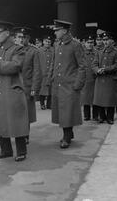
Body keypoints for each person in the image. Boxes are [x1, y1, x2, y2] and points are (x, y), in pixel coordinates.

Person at [0, 22, 29, 162]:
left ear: (7, 33)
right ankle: (5, 150)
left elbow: (15, 66)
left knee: (17, 122)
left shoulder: (17, 49)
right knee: (1, 121)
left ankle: (21, 151)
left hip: (11, 89)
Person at [48, 19, 86, 149]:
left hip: (69, 84)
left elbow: (82, 66)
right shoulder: (57, 44)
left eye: (57, 30)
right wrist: (51, 77)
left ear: (64, 31)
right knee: (61, 111)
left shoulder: (75, 45)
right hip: (58, 83)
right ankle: (69, 133)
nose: (55, 33)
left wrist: (78, 83)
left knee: (67, 111)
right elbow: (54, 62)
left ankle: (67, 137)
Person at [14, 27, 42, 145]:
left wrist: (34, 89)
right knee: (13, 111)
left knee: (25, 113)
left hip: (26, 86)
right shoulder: (12, 50)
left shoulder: (33, 51)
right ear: (15, 37)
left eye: (24, 37)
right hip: (13, 86)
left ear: (28, 38)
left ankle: (25, 135)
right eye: (19, 37)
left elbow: (37, 71)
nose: (21, 39)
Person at [92, 32, 117, 124]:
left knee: (110, 99)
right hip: (100, 78)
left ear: (112, 40)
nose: (105, 42)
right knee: (100, 99)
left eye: (107, 40)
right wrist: (97, 70)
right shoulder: (99, 52)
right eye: (104, 40)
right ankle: (102, 117)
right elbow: (94, 64)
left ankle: (110, 117)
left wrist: (105, 69)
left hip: (111, 78)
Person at [81, 35, 98, 121]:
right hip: (86, 78)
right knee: (86, 98)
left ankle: (95, 116)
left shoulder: (97, 52)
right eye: (88, 42)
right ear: (85, 43)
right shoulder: (81, 53)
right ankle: (86, 115)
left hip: (95, 79)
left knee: (95, 98)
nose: (90, 44)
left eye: (91, 42)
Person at [39, 35, 54, 110]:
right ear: (43, 42)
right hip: (42, 73)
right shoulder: (39, 50)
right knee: (42, 89)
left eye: (49, 42)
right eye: (46, 41)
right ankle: (42, 104)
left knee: (50, 90)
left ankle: (49, 104)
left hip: (51, 73)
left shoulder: (53, 50)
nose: (48, 43)